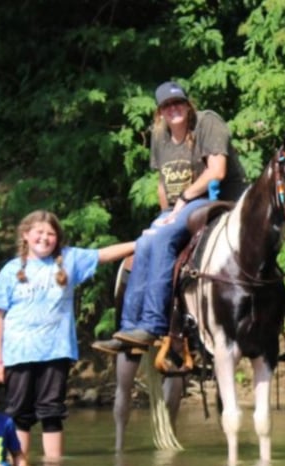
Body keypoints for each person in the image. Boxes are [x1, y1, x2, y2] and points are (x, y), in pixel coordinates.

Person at [93, 80, 247, 354]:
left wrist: (183, 201)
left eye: (178, 103)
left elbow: (217, 171)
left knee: (163, 237)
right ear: (160, 112)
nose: (173, 109)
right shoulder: (160, 135)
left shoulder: (207, 123)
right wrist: (164, 215)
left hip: (214, 199)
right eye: (167, 105)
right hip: (179, 207)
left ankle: (154, 323)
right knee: (146, 241)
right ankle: (130, 330)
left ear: (188, 106)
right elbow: (162, 183)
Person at [0, 209, 135, 460]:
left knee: (51, 411)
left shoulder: (69, 259)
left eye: (51, 234)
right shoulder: (10, 270)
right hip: (17, 353)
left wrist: (145, 241)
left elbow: (105, 254)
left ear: (58, 238)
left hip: (56, 351)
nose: (45, 238)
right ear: (25, 235)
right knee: (19, 413)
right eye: (39, 232)